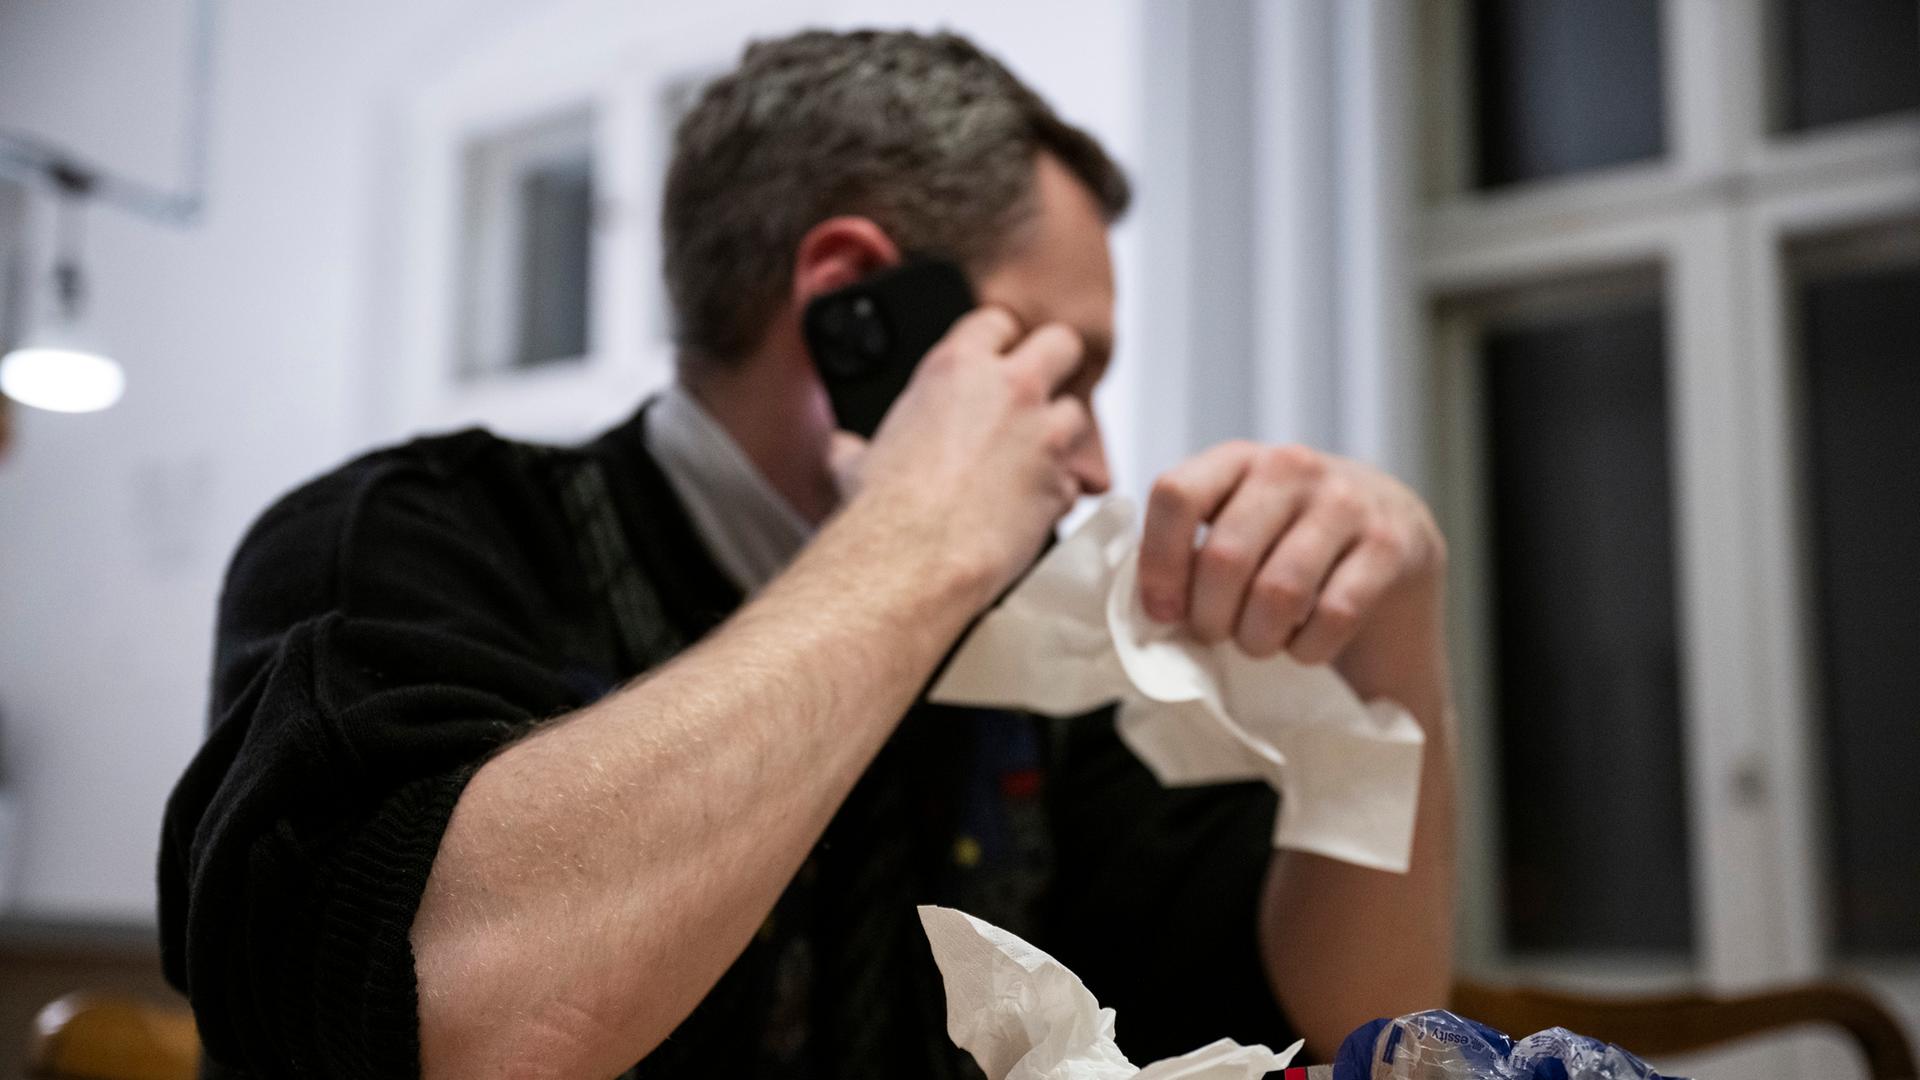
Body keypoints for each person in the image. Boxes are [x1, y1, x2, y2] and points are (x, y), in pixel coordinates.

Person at [159, 28, 1456, 1080]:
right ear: (852, 305)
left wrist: (1390, 652)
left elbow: (1360, 1026)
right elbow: (462, 1022)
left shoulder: (1035, 637)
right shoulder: (401, 544)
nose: (1098, 464)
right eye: (1064, 373)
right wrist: (916, 542)